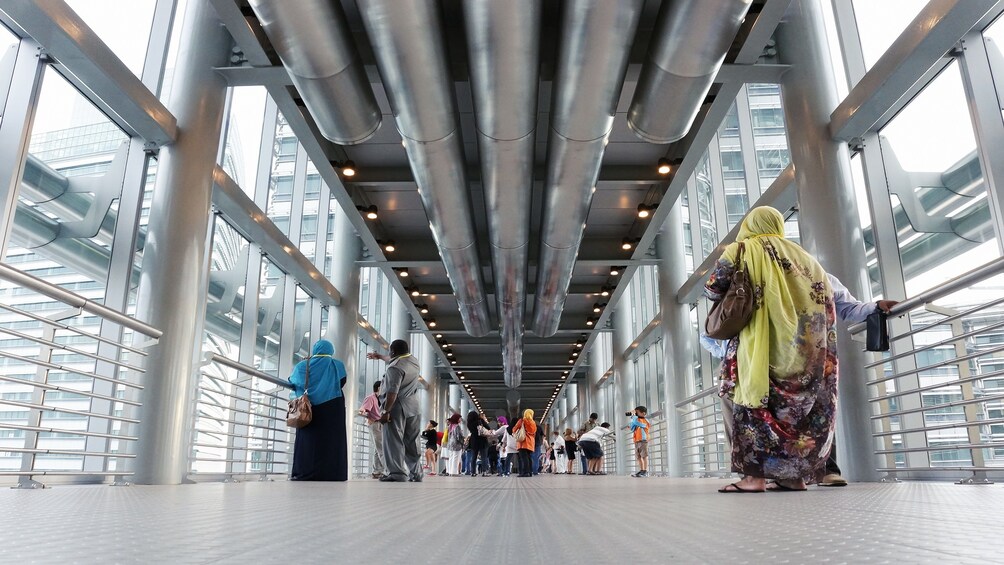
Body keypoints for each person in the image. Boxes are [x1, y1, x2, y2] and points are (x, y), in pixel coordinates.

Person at [701, 273, 898, 488]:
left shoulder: (752, 268)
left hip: (766, 356)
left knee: (753, 409)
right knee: (806, 411)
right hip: (803, 355)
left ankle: (758, 476)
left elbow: (712, 295)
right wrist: (874, 307)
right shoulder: (814, 271)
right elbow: (848, 306)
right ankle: (793, 477)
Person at [705, 206, 837, 493]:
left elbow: (713, 289)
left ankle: (753, 479)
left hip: (760, 346)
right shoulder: (806, 258)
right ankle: (792, 477)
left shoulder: (741, 249)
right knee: (794, 415)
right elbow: (826, 302)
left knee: (749, 407)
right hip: (805, 354)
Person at [289, 340, 348, 481]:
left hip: (308, 407)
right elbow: (342, 382)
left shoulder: (302, 366)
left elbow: (293, 381)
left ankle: (305, 472)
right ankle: (333, 473)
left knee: (307, 440)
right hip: (333, 407)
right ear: (330, 350)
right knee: (332, 441)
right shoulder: (337, 365)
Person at [368, 339, 422, 483]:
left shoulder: (394, 368)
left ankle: (397, 473)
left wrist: (386, 412)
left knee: (393, 441)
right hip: (414, 407)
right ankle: (416, 473)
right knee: (412, 441)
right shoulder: (413, 361)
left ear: (393, 351)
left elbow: (392, 392)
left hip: (397, 408)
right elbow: (394, 359)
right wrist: (380, 357)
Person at [357, 380, 385, 479]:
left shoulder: (381, 399)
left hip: (382, 424)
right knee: (382, 448)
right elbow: (364, 408)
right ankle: (388, 470)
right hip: (375, 424)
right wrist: (363, 411)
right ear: (379, 388)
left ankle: (377, 471)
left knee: (379, 449)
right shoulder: (370, 398)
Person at [512, 409, 537, 477]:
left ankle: (525, 472)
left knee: (524, 458)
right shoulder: (533, 423)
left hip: (523, 442)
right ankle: (529, 472)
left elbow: (514, 429)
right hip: (531, 442)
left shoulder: (522, 421)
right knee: (528, 457)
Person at [466, 411, 490, 476]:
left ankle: (473, 472)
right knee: (484, 457)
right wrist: (483, 420)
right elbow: (488, 427)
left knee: (473, 457)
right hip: (482, 440)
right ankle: (484, 472)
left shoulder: (469, 423)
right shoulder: (480, 421)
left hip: (474, 441)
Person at [629, 406, 650, 478]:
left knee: (644, 456)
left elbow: (637, 423)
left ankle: (645, 471)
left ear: (643, 413)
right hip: (637, 440)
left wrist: (633, 416)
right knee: (638, 457)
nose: (636, 414)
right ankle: (641, 470)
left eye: (637, 412)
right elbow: (631, 427)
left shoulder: (646, 421)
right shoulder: (636, 419)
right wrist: (632, 418)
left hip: (643, 440)